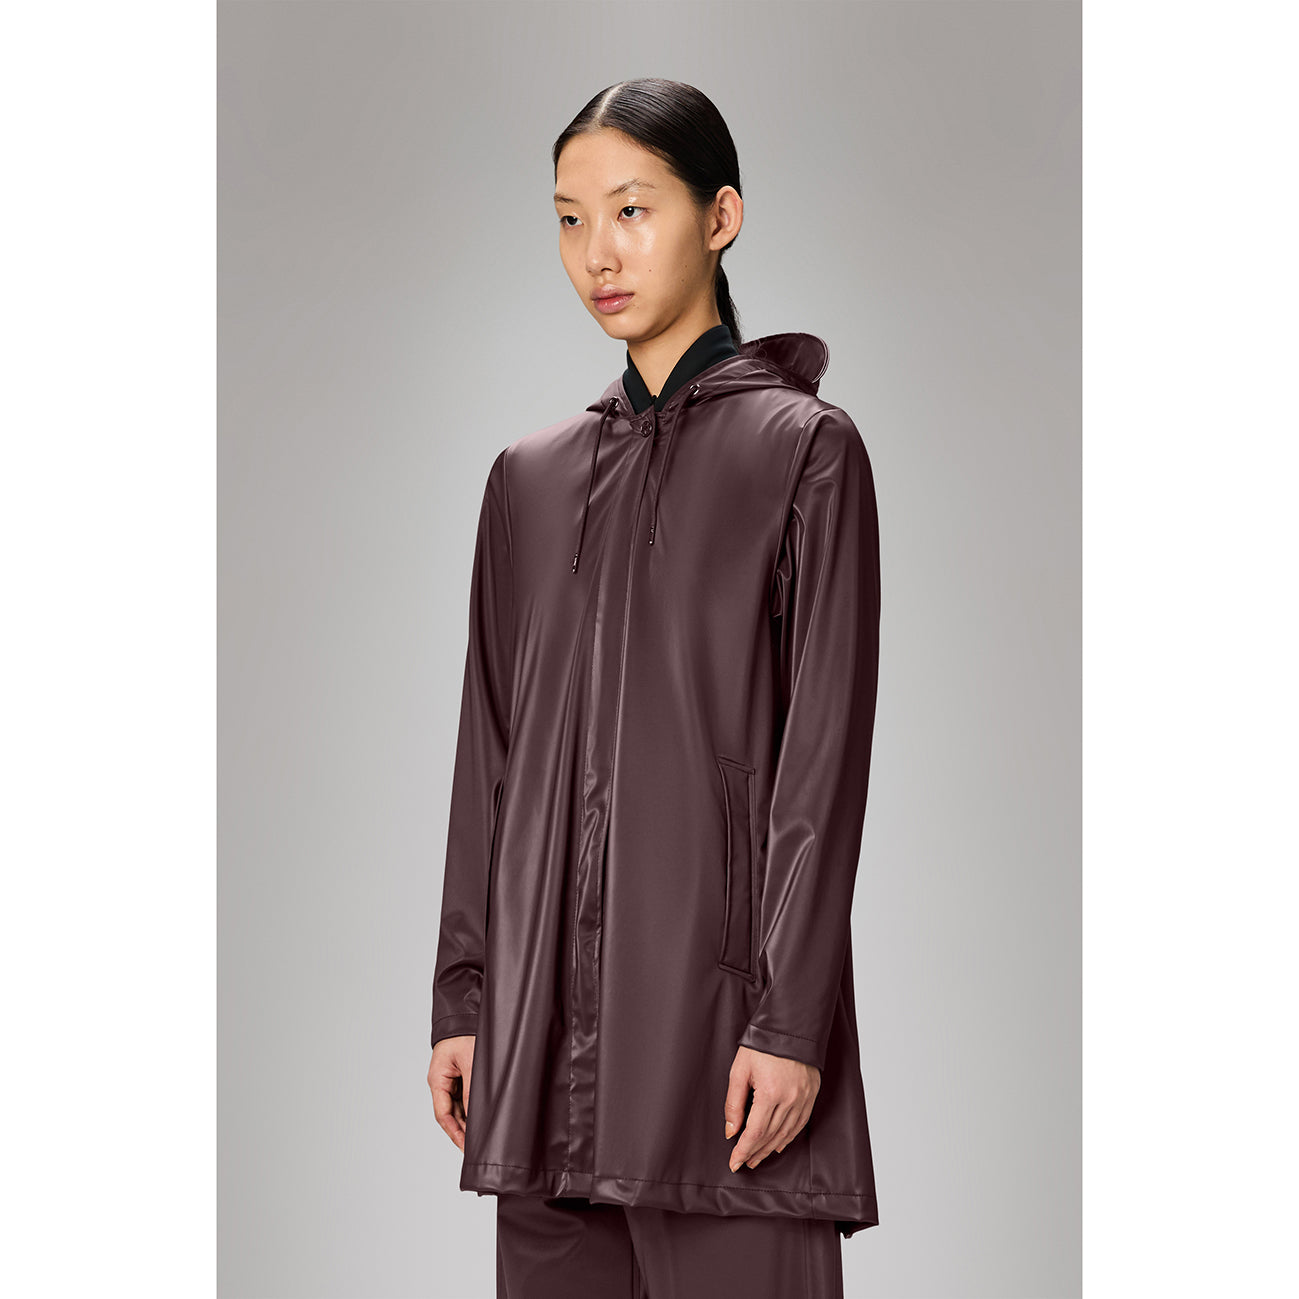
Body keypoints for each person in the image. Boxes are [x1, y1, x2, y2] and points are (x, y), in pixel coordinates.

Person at [426, 78, 882, 1299]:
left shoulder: (805, 453)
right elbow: (489, 760)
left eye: (632, 210)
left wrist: (790, 1026)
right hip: (541, 1068)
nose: (598, 254)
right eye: (570, 219)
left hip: (725, 1064)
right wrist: (465, 999)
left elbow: (821, 768)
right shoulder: (527, 482)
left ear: (719, 217)